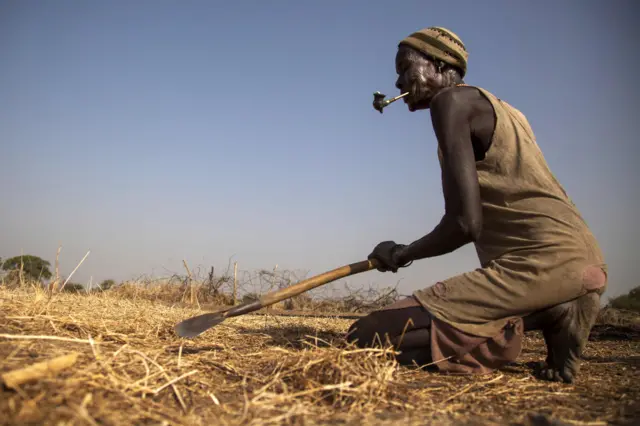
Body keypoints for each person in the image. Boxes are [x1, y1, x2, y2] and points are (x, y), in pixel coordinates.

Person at [346, 26, 608, 384]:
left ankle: (538, 315)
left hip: (540, 262)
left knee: (365, 337)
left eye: (405, 68)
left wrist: (401, 253)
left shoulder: (449, 102)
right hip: (581, 253)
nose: (397, 82)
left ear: (439, 66)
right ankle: (555, 307)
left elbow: (465, 225)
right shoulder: (509, 112)